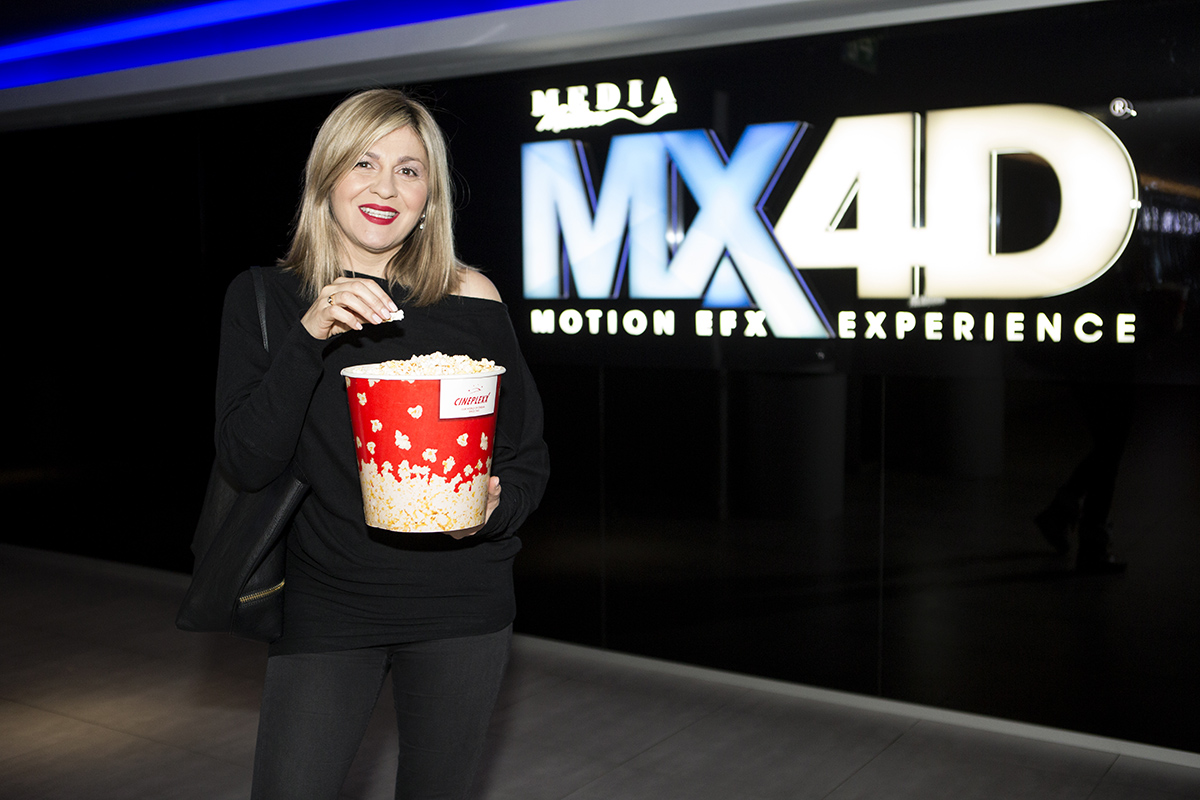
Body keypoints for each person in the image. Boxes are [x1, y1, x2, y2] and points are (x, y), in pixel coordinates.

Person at [214, 88, 550, 799]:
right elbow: (246, 460)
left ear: (429, 198)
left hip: (464, 603)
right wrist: (311, 336)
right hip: (328, 603)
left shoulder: (473, 297)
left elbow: (525, 454)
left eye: (409, 170)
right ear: (326, 177)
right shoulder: (267, 298)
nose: (385, 187)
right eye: (363, 163)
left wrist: (496, 509)